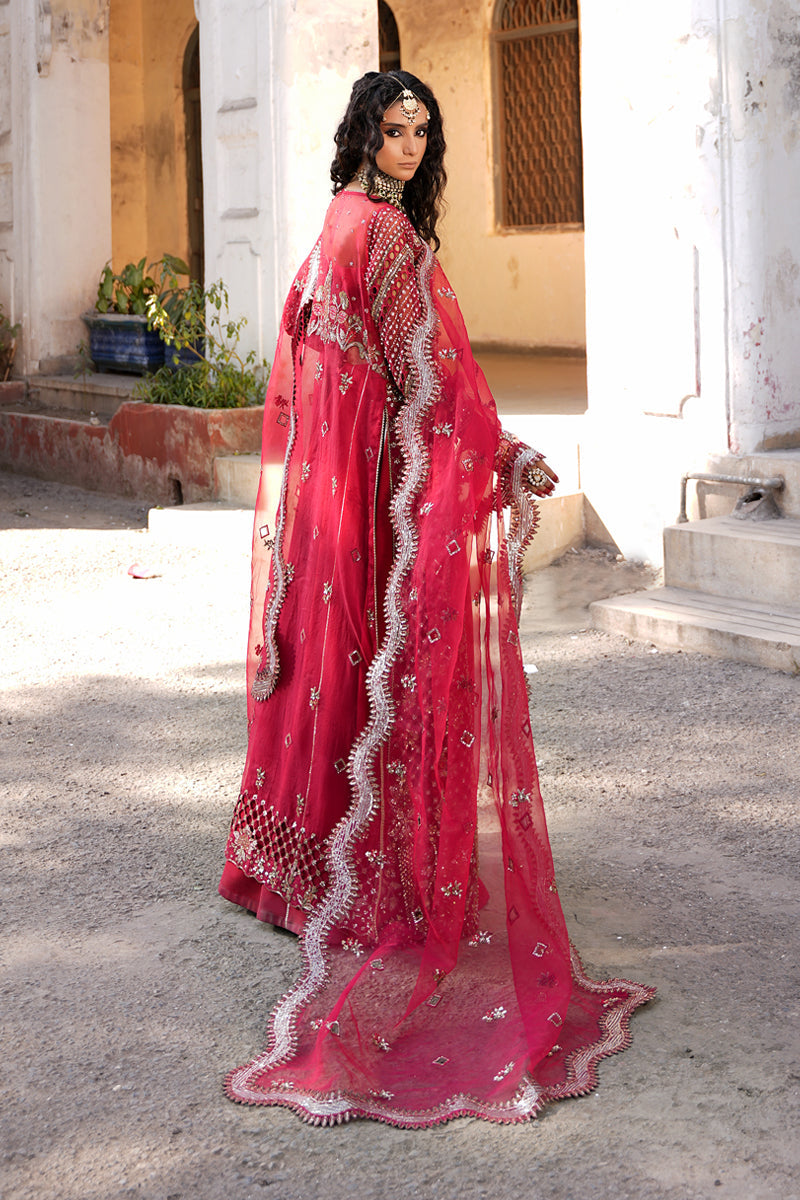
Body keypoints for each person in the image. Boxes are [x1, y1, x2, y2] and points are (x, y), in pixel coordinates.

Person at [220, 70, 654, 1126]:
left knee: (326, 663)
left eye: (421, 129)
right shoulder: (387, 237)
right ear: (363, 134)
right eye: (393, 128)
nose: (409, 145)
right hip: (374, 495)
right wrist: (502, 456)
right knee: (366, 663)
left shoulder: (336, 221)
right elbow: (440, 387)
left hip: (332, 494)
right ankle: (368, 884)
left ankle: (291, 873)